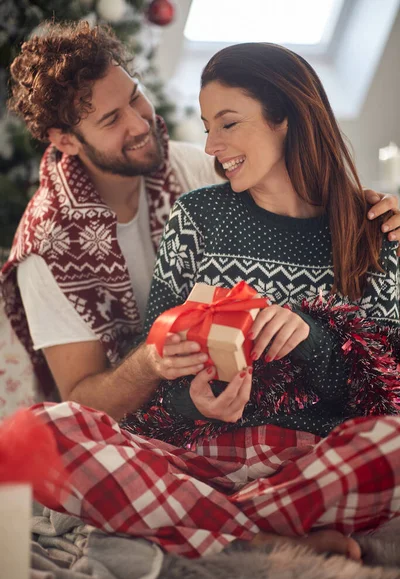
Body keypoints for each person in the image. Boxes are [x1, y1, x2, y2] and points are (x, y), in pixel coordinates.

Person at [30, 43, 399, 562]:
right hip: (199, 461)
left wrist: (312, 340)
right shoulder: (198, 217)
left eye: (226, 124)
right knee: (45, 433)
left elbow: (385, 397)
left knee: (393, 441)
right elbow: (153, 382)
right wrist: (191, 400)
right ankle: (260, 538)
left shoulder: (376, 231)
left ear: (286, 117)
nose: (210, 146)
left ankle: (216, 530)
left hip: (311, 459)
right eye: (205, 127)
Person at [1, 22, 399, 419]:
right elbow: (84, 402)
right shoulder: (47, 246)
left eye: (136, 99)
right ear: (66, 140)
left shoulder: (187, 166)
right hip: (157, 424)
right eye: (110, 120)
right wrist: (167, 378)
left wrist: (363, 209)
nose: (141, 126)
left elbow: (283, 181)